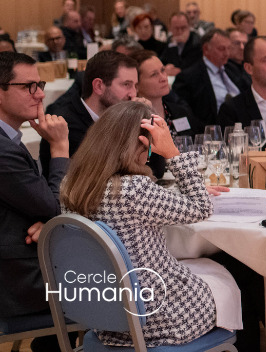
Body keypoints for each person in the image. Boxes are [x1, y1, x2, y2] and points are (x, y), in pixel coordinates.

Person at [59, 102, 245, 348]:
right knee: (227, 277)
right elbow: (202, 208)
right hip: (159, 318)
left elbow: (128, 204)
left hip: (106, 315)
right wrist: (172, 152)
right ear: (140, 145)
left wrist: (179, 192)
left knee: (205, 270)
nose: (150, 156)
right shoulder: (134, 189)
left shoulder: (71, 185)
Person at [0, 52, 72, 352]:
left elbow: (45, 204)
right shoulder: (3, 151)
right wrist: (59, 147)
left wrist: (49, 220)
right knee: (125, 289)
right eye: (28, 86)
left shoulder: (8, 141)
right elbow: (55, 205)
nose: (41, 94)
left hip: (21, 265)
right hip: (19, 283)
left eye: (39, 84)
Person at [39, 50, 139, 175]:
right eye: (126, 84)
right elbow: (113, 173)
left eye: (135, 86)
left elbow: (155, 168)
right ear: (98, 86)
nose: (133, 94)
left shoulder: (114, 117)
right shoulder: (67, 126)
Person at [129, 49, 198, 178]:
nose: (163, 78)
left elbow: (195, 148)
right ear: (137, 85)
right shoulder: (135, 122)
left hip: (184, 177)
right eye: (154, 75)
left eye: (163, 70)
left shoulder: (179, 111)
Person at [172, 29, 250, 128]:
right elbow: (184, 113)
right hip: (212, 131)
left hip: (241, 127)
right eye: (221, 49)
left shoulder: (232, 69)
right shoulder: (188, 77)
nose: (226, 53)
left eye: (228, 48)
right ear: (206, 49)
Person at [160, 11, 203, 75]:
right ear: (170, 28)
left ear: (189, 26)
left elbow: (187, 67)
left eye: (183, 28)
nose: (180, 32)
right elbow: (162, 60)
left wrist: (179, 70)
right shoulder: (171, 40)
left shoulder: (196, 42)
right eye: (176, 28)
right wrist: (165, 68)